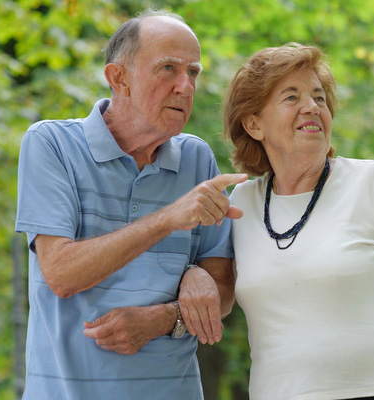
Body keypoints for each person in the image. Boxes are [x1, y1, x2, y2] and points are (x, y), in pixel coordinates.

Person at [14, 9, 246, 399]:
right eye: (168, 68)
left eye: (193, 72)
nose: (185, 87)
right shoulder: (51, 144)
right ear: (119, 78)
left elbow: (221, 293)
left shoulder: (196, 159)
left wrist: (165, 314)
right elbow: (62, 274)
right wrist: (168, 219)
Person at [224, 43, 374, 400]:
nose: (312, 107)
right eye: (291, 97)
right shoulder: (240, 204)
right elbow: (216, 291)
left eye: (319, 97)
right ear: (254, 123)